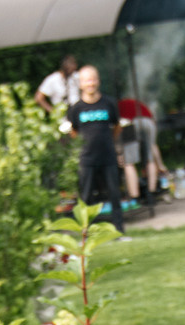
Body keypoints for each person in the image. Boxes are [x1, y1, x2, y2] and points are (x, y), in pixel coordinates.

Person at [70, 66, 124, 218]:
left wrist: (109, 142)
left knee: (114, 194)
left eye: (93, 80)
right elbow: (74, 132)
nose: (90, 84)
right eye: (87, 81)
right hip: (87, 158)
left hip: (108, 156)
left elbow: (117, 126)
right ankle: (87, 233)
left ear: (98, 81)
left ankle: (119, 231)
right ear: (81, 84)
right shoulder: (76, 109)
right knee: (86, 196)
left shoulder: (109, 103)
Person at [117, 90, 162, 199]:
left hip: (132, 124)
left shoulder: (118, 105)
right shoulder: (137, 102)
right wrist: (160, 164)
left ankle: (134, 196)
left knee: (129, 162)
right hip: (148, 123)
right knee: (149, 159)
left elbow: (118, 126)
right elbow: (152, 119)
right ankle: (151, 191)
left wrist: (119, 151)